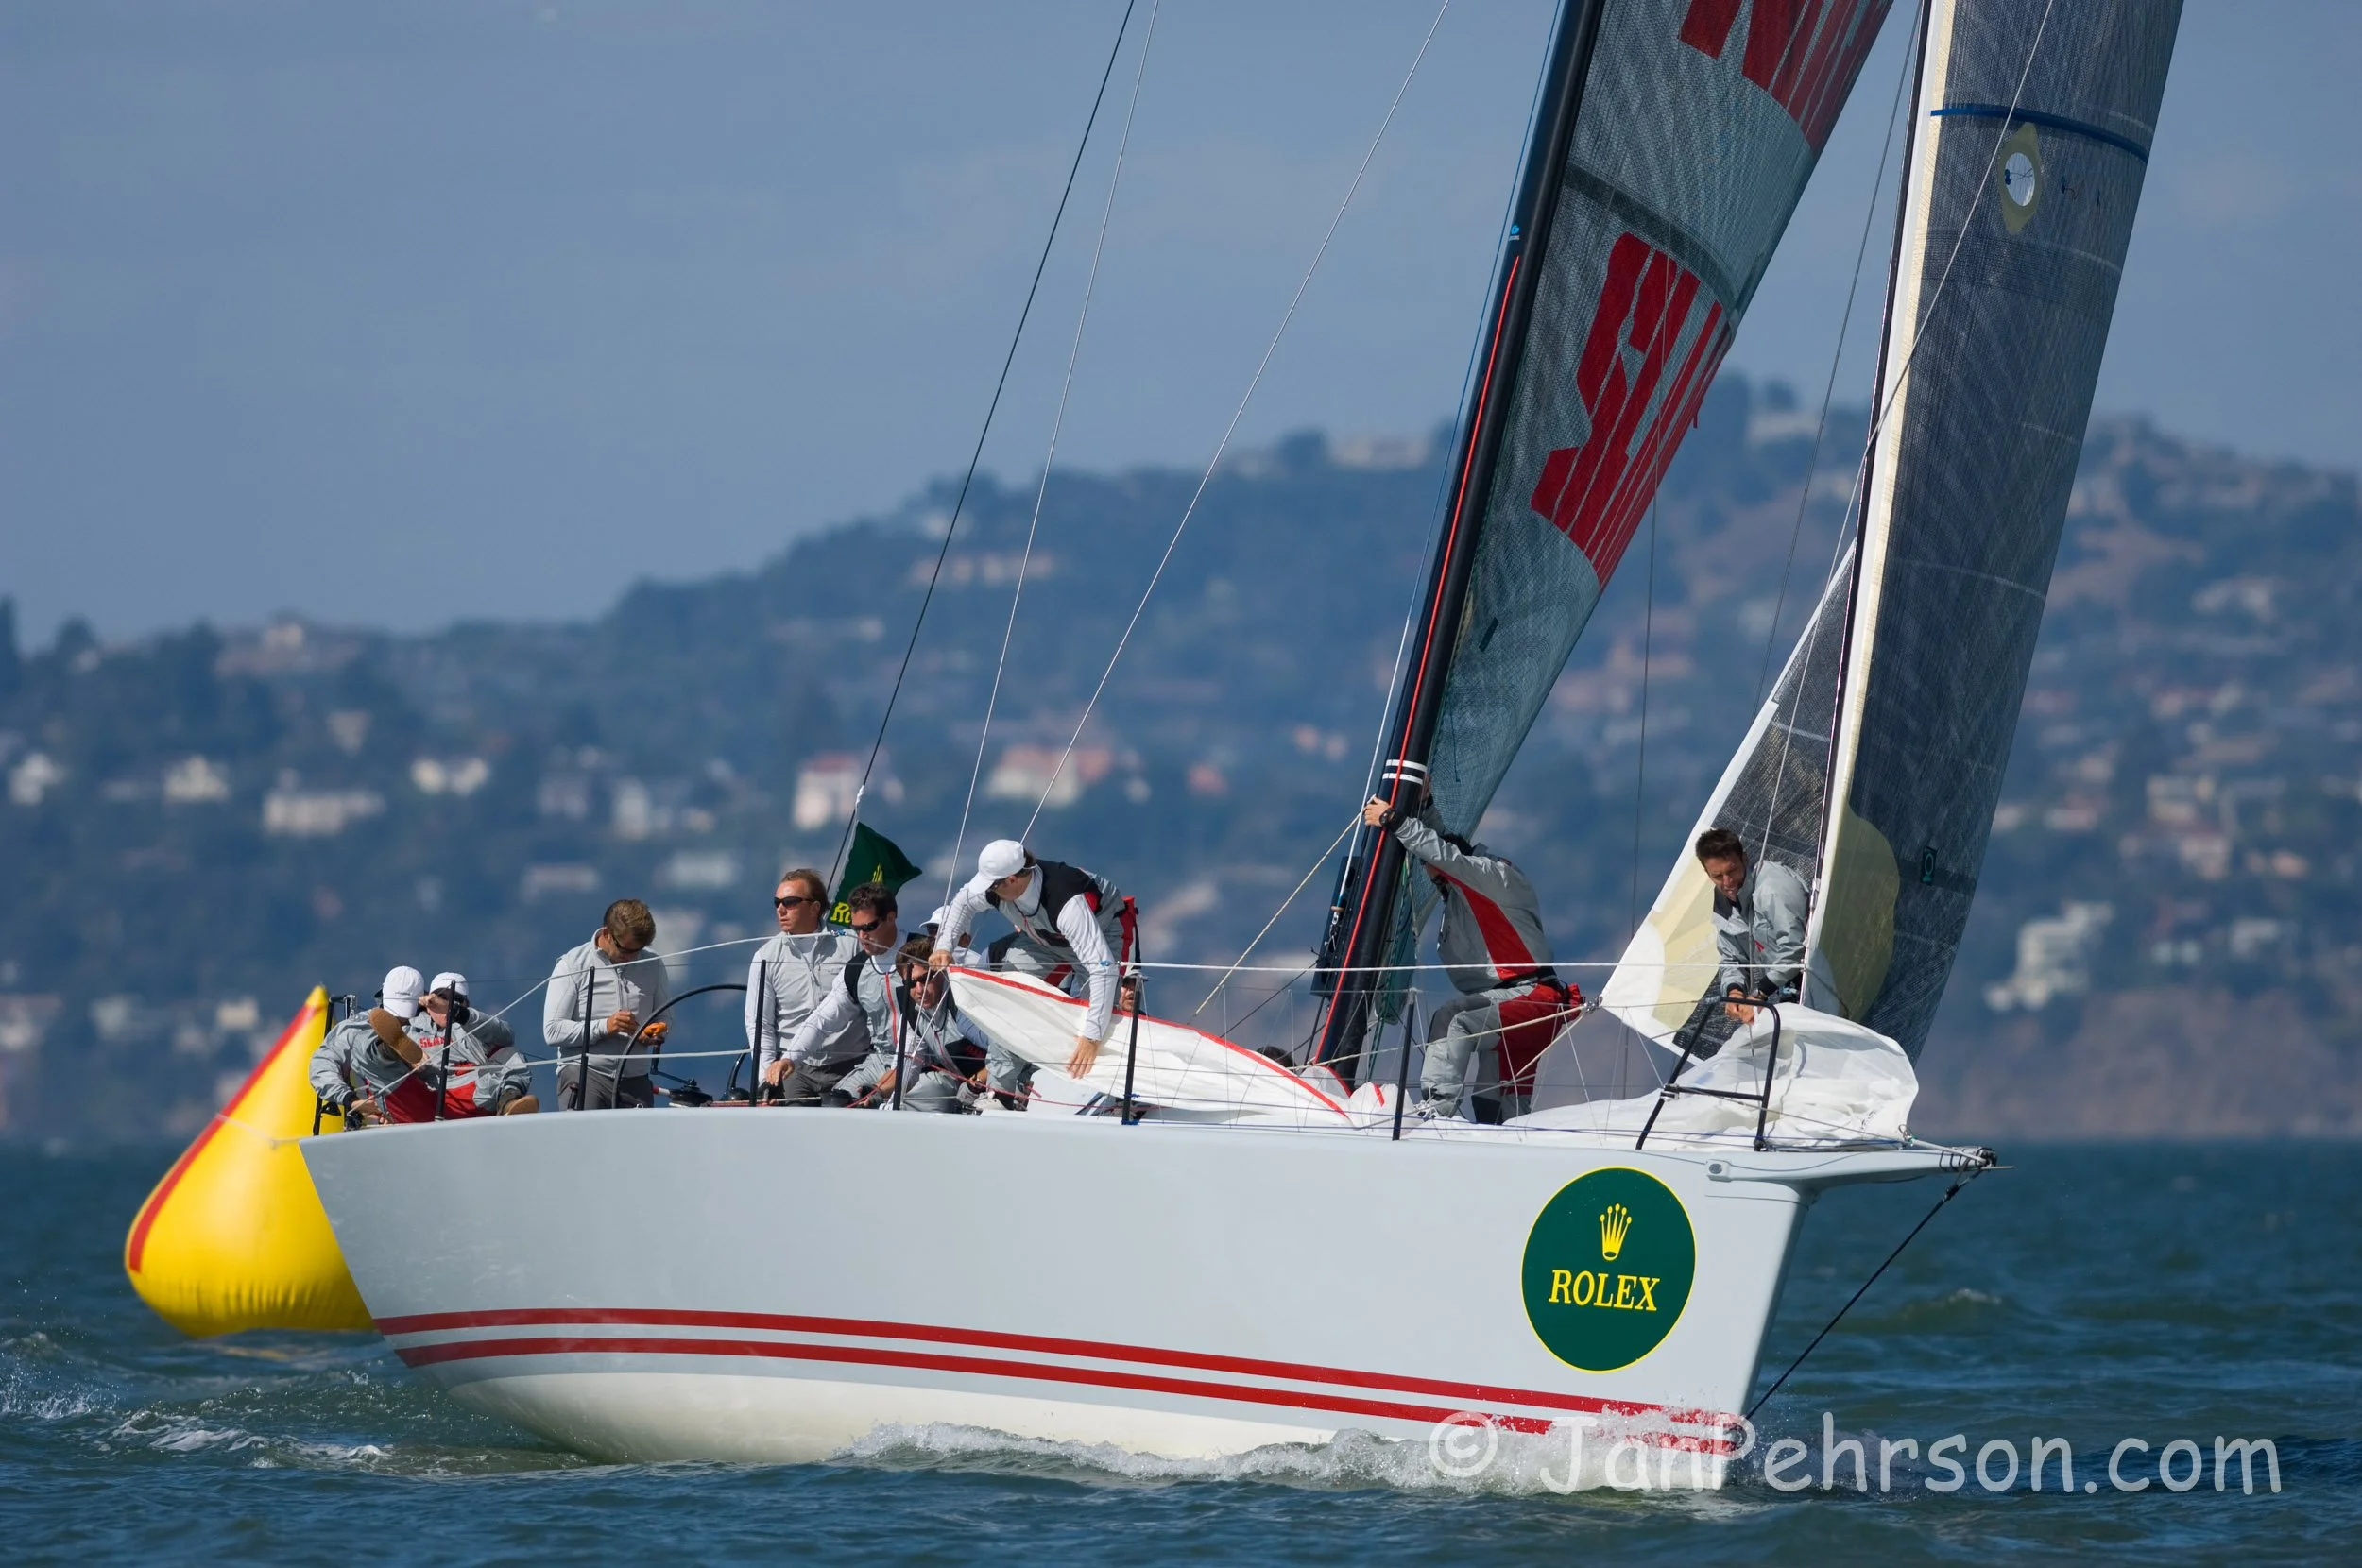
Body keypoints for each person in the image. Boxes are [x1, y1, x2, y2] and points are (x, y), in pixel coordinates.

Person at [1362, 789, 1578, 1123]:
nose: (1432, 878)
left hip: (1532, 996)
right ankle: (1499, 1145)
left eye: (1432, 871)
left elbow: (1447, 856)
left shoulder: (1492, 876)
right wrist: (1426, 803)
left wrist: (1394, 820)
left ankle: (1437, 1112)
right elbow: (1445, 850)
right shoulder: (1464, 892)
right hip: (1509, 1006)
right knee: (1498, 1109)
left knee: (1453, 1019)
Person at [931, 839, 1134, 1089]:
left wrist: (1091, 1037)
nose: (988, 891)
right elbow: (963, 902)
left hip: (1099, 931)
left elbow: (1102, 970)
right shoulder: (996, 887)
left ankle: (1085, 1087)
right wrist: (943, 946)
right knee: (1008, 999)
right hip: (1043, 938)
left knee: (1095, 1016)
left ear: (1012, 880)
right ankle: (1000, 1091)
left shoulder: (1067, 904)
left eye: (993, 886)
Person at [764, 882, 904, 1104]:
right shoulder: (856, 969)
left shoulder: (922, 953)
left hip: (925, 1064)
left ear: (890, 917)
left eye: (869, 927)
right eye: (856, 928)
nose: (861, 936)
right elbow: (823, 1018)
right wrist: (790, 1058)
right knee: (837, 1103)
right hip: (880, 1061)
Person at [745, 866, 863, 1101]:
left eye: (790, 902)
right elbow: (760, 1023)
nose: (780, 909)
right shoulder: (765, 956)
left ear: (815, 907)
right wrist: (767, 1078)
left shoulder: (851, 945)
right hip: (795, 1069)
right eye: (777, 902)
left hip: (850, 1064)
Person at [837, 935, 991, 1113]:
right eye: (911, 983)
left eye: (925, 979)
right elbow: (907, 1067)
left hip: (997, 1085)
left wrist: (976, 1082)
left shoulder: (964, 1003)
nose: (919, 990)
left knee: (928, 1091)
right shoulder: (912, 1015)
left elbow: (1007, 1054)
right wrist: (876, 1091)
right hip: (965, 1088)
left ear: (942, 974)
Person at [545, 898, 672, 1111]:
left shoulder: (653, 965)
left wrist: (654, 1033)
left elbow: (666, 1018)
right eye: (626, 951)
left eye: (638, 951)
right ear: (606, 934)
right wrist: (605, 1027)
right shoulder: (573, 964)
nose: (632, 958)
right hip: (585, 1074)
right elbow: (552, 1030)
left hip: (635, 1078)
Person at [1696, 827, 1807, 1021]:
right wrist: (1734, 991)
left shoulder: (1772, 889)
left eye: (1732, 870)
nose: (1728, 882)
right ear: (1707, 873)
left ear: (1745, 859)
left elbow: (1796, 948)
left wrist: (1759, 993)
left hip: (1816, 976)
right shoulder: (1725, 902)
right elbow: (1732, 959)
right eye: (1718, 876)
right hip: (1786, 986)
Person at [310, 965, 433, 1126]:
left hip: (430, 1103)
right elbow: (321, 1066)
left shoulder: (438, 1022)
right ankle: (387, 1050)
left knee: (366, 1047)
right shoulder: (356, 1028)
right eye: (395, 1012)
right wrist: (351, 1100)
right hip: (395, 1108)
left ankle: (389, 1050)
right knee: (365, 1045)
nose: (399, 1018)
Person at [419, 971, 537, 1117]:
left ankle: (509, 1104)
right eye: (441, 997)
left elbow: (506, 1035)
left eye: (456, 999)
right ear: (428, 1005)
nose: (446, 1004)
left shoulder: (473, 1024)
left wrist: (459, 1013)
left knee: (511, 1055)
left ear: (466, 1005)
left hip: (474, 1093)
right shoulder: (411, 1028)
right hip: (429, 1096)